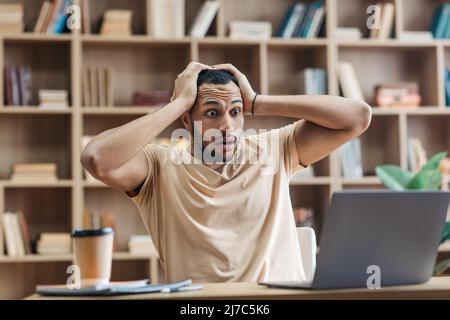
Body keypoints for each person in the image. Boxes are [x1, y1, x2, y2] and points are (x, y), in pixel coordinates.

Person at [81, 61, 372, 283]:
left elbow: (358, 117)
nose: (227, 127)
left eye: (235, 112)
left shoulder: (274, 149)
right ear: (186, 119)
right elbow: (97, 158)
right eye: (211, 113)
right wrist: (178, 103)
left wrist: (257, 101)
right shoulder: (159, 166)